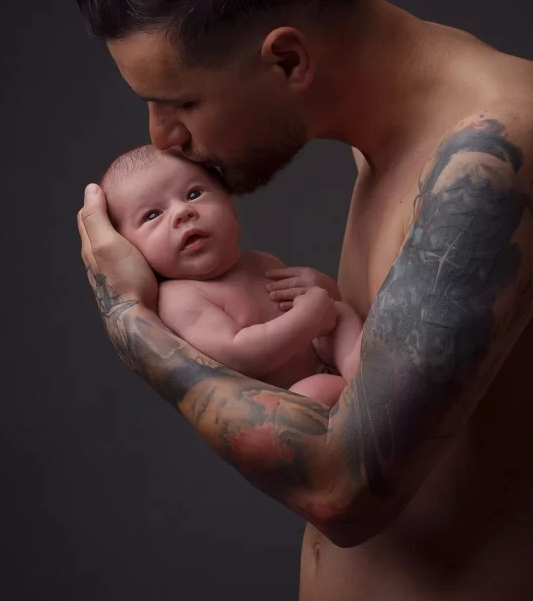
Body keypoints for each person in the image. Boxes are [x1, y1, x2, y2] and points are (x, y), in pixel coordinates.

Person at [73, 0, 533, 601]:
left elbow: (345, 486)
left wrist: (129, 320)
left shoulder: (495, 156)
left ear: (287, 61)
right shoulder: (383, 139)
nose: (161, 140)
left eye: (179, 103)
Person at [100, 144, 362, 407]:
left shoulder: (261, 262)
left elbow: (323, 312)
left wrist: (321, 287)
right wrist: (308, 318)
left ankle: (361, 371)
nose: (182, 212)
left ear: (231, 208)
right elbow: (240, 355)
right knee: (313, 391)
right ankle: (364, 393)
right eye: (152, 215)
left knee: (341, 313)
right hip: (290, 402)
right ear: (130, 249)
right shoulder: (179, 298)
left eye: (194, 193)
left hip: (326, 363)